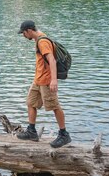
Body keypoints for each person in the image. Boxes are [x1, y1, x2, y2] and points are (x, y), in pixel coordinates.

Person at [16, 20, 71, 148]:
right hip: (38, 80)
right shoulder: (39, 38)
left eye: (23, 33)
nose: (23, 36)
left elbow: (51, 60)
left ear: (29, 31)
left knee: (54, 106)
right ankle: (31, 131)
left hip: (46, 81)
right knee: (31, 102)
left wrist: (53, 80)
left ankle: (64, 134)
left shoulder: (42, 41)